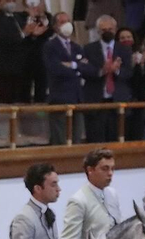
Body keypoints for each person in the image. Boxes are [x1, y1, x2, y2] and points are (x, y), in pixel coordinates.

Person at [80, 14, 131, 144]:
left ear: (115, 29)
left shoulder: (124, 50)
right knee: (96, 140)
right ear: (98, 31)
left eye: (110, 29)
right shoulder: (89, 49)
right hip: (96, 101)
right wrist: (103, 70)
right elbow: (84, 71)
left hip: (117, 101)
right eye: (104, 30)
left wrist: (116, 70)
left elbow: (129, 73)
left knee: (116, 139)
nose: (107, 32)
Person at [0, 0, 48, 105]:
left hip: (23, 67)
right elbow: (2, 40)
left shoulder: (19, 17)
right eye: (7, 0)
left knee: (23, 101)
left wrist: (33, 35)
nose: (11, 3)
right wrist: (24, 33)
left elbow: (25, 40)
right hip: (6, 68)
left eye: (13, 0)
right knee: (8, 102)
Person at [43, 11, 89, 144]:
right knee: (60, 137)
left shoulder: (77, 47)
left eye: (68, 21)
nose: (66, 25)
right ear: (55, 26)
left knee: (76, 136)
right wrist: (77, 67)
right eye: (62, 22)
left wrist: (72, 65)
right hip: (60, 96)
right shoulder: (50, 46)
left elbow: (86, 67)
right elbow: (55, 68)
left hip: (77, 97)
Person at [62, 147, 120, 239]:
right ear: (90, 170)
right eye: (105, 169)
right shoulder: (78, 201)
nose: (110, 173)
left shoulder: (112, 194)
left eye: (112, 169)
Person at [9, 161, 60, 239]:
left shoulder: (49, 213)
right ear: (38, 188)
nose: (59, 189)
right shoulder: (24, 219)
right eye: (53, 185)